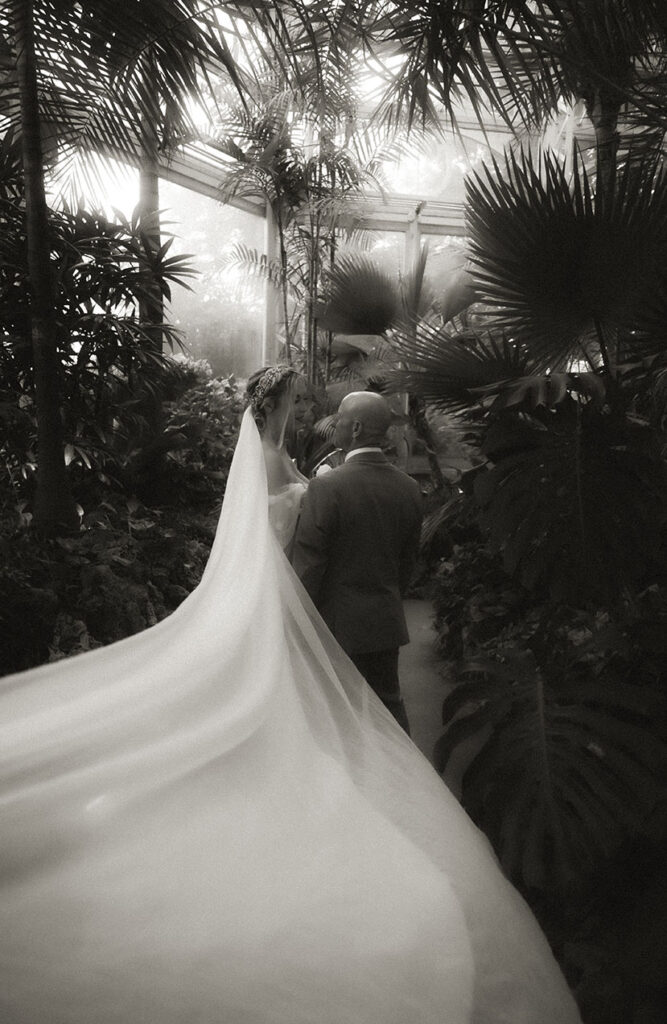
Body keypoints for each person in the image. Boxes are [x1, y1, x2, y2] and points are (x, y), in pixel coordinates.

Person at [0, 365, 582, 1024]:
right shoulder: (372, 483)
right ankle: (377, 778)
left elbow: (308, 556)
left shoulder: (313, 478)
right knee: (375, 704)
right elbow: (394, 562)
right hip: (368, 615)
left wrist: (301, 583)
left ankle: (351, 772)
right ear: (277, 406)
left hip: (317, 607)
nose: (311, 412)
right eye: (300, 400)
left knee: (343, 705)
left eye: (317, 406)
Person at [292, 391, 420, 734]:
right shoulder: (409, 488)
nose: (335, 424)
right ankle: (403, 783)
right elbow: (407, 565)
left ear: (357, 427)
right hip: (385, 620)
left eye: (341, 419)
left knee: (336, 717)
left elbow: (310, 564)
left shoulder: (327, 487)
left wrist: (300, 623)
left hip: (337, 625)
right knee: (389, 714)